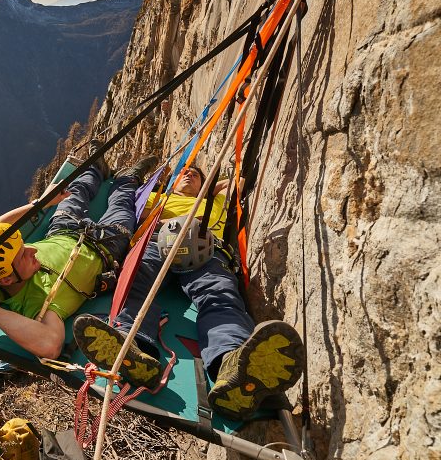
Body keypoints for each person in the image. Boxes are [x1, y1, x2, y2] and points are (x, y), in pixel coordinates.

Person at [73, 165, 305, 420]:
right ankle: (131, 346)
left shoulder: (214, 201)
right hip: (157, 242)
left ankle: (231, 365)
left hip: (205, 248)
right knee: (136, 287)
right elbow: (136, 207)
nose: (189, 174)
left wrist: (206, 191)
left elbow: (238, 179)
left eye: (195, 174)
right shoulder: (157, 197)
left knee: (219, 294)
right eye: (183, 172)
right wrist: (186, 189)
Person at [0, 151, 158, 360]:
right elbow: (50, 345)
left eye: (25, 247)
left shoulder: (2, 268)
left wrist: (41, 203)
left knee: (74, 191)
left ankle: (96, 169)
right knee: (122, 204)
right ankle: (129, 179)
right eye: (23, 255)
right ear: (6, 278)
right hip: (105, 247)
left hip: (63, 230)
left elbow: (0, 226)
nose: (33, 250)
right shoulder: (36, 303)